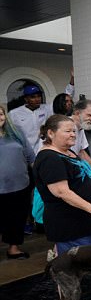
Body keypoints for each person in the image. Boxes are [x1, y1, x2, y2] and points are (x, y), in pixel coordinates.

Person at [33, 115, 91, 256]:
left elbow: (75, 177)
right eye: (68, 131)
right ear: (50, 133)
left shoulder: (68, 151)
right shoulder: (49, 158)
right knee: (78, 270)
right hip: (71, 226)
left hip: (87, 223)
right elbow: (61, 192)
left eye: (74, 131)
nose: (73, 134)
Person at [0, 105, 35, 259]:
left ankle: (13, 249)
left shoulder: (16, 133)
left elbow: (30, 156)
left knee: (17, 218)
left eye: (1, 114)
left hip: (21, 185)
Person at [9, 84, 54, 152]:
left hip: (42, 149)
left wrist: (71, 83)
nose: (37, 99)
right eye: (33, 97)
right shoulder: (14, 113)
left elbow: (61, 101)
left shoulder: (46, 108)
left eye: (39, 96)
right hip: (24, 151)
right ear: (26, 99)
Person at [69, 99, 91, 178]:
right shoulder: (66, 126)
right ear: (77, 113)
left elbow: (81, 152)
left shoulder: (80, 127)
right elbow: (65, 153)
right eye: (89, 115)